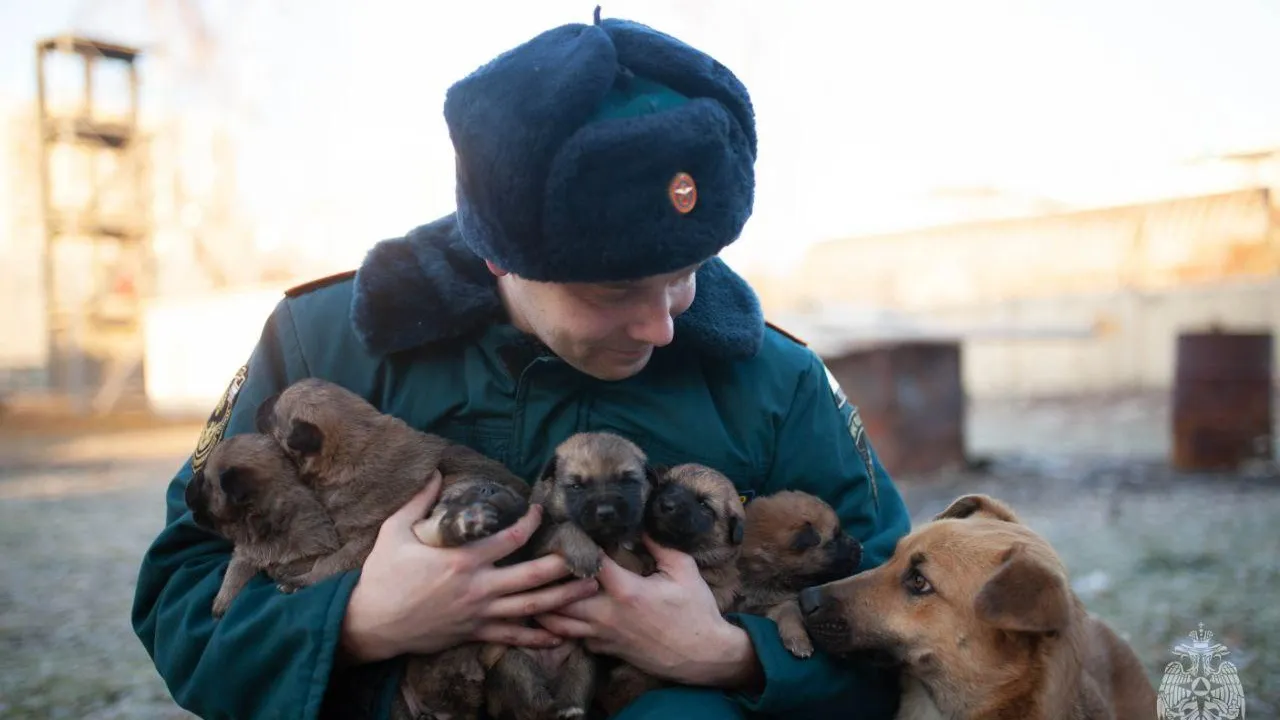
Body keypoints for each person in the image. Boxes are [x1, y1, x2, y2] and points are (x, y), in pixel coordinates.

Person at [131, 10, 912, 720]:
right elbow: (183, 603)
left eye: (690, 269)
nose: (664, 323)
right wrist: (357, 623)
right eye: (615, 288)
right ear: (500, 256)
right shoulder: (319, 347)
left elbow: (910, 613)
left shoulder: (779, 382)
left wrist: (735, 657)